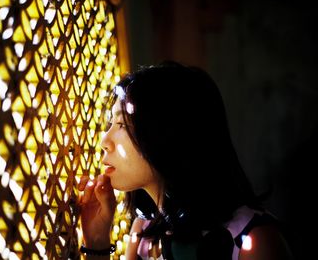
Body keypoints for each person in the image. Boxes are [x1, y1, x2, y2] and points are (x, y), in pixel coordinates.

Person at [77, 61, 293, 259]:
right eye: (111, 124)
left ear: (169, 134)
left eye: (122, 124)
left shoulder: (255, 242)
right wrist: (98, 242)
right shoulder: (144, 233)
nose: (105, 140)